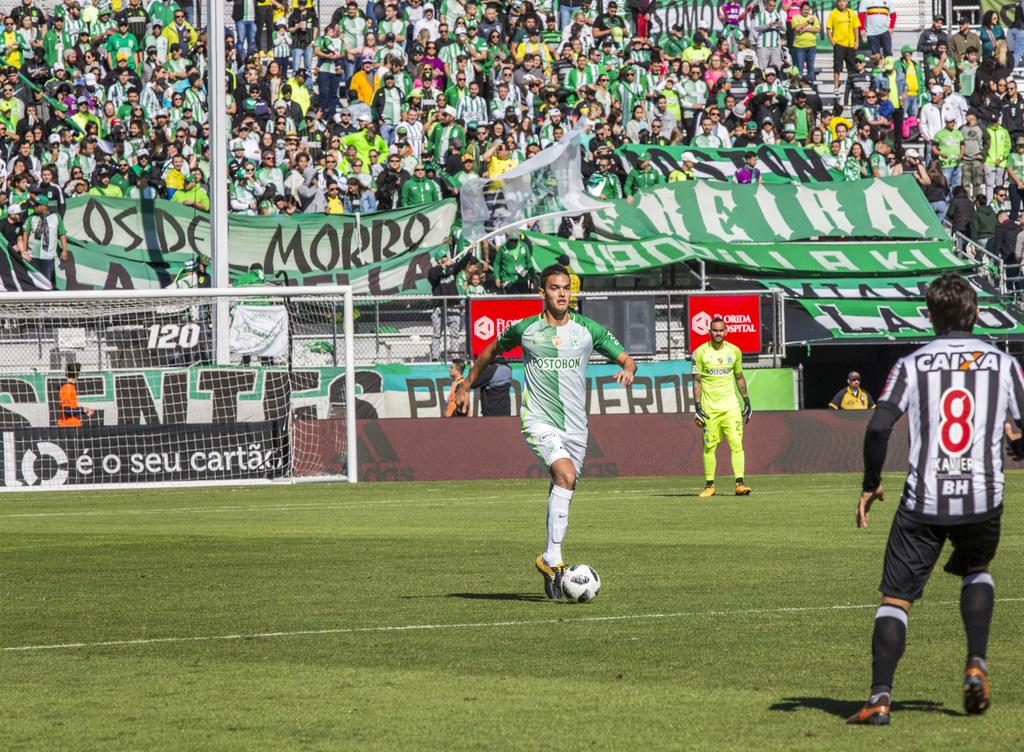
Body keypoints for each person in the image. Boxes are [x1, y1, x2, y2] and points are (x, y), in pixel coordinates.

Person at [847, 273, 1024, 725]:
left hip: (924, 500)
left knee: (895, 600)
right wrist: (1015, 445)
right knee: (977, 570)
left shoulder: (911, 364)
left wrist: (871, 482)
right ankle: (976, 662)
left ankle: (881, 700)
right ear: (977, 312)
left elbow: (878, 427)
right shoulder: (1004, 364)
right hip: (983, 498)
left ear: (929, 316)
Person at [455, 264, 636, 600]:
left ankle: (550, 561)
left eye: (566, 287)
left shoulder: (588, 330)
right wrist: (467, 384)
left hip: (576, 427)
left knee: (563, 484)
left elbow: (627, 359)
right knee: (565, 476)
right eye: (555, 288)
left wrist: (627, 369)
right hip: (539, 420)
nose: (562, 294)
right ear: (542, 292)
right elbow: (490, 351)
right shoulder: (526, 330)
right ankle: (553, 559)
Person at [693, 317, 752, 498]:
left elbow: (739, 377)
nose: (718, 333)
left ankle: (740, 484)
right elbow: (696, 381)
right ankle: (710, 485)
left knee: (736, 444)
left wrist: (747, 401)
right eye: (714, 330)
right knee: (710, 448)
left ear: (726, 332)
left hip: (731, 407)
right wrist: (697, 406)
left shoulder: (734, 351)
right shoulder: (700, 352)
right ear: (709, 332)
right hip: (710, 409)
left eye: (721, 330)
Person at [58, 362, 95, 427]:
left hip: (72, 426)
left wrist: (84, 410)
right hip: (68, 427)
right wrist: (82, 410)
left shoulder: (70, 387)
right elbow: (66, 410)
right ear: (77, 375)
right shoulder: (67, 388)